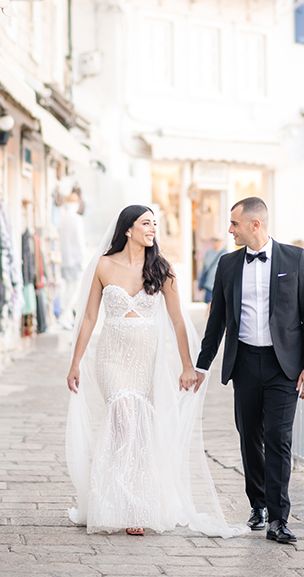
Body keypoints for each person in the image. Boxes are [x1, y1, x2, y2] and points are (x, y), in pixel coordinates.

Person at [65, 204, 246, 537]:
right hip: (112, 357)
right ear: (128, 229)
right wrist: (75, 362)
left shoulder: (163, 269)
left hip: (146, 358)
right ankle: (122, 502)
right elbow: (90, 318)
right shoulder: (104, 265)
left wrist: (188, 366)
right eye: (145, 223)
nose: (152, 229)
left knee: (138, 428)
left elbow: (178, 320)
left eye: (154, 224)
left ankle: (135, 504)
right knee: (124, 419)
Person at [194, 196, 304, 545]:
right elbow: (217, 320)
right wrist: (200, 366)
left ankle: (279, 519)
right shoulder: (228, 264)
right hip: (245, 363)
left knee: (279, 440)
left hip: (285, 367)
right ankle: (259, 504)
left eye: (234, 223)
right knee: (249, 436)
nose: (229, 229)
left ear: (255, 225)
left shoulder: (295, 259)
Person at [57, 192, 86, 328]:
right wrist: (83, 257)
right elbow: (80, 241)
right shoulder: (76, 219)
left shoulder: (61, 218)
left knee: (68, 288)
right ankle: (65, 315)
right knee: (75, 288)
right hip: (74, 258)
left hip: (64, 258)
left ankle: (66, 317)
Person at [197, 237, 227, 307]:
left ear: (220, 241)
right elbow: (204, 268)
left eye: (216, 240)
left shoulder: (225, 253)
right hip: (209, 284)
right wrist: (200, 281)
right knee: (209, 305)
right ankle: (208, 318)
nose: (214, 242)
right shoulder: (208, 253)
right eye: (212, 240)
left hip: (220, 284)